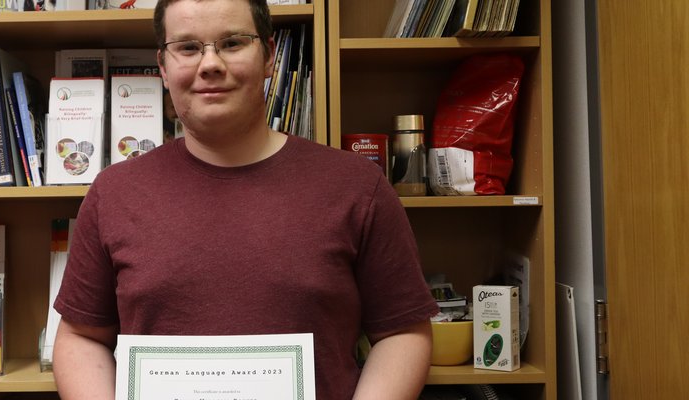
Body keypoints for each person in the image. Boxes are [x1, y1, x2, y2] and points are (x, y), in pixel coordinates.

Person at [52, 0, 438, 398]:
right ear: (164, 69)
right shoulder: (114, 192)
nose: (210, 64)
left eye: (232, 43)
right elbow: (81, 337)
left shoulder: (357, 186)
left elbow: (403, 332)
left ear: (269, 56)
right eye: (187, 48)